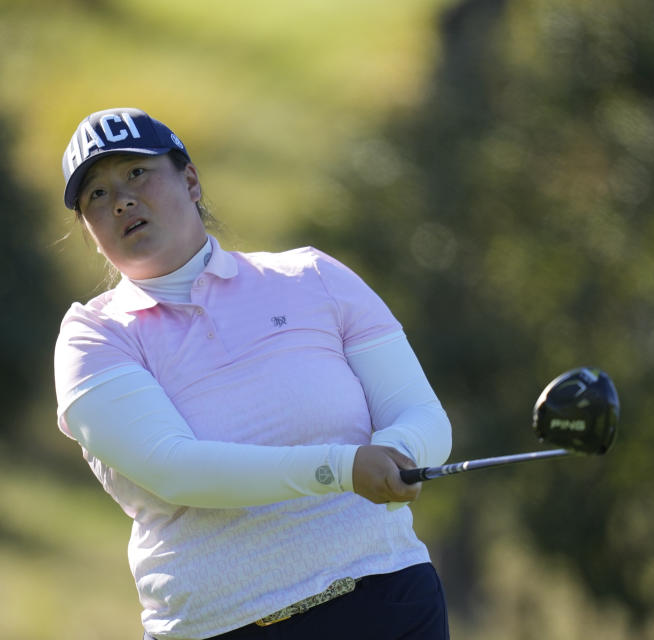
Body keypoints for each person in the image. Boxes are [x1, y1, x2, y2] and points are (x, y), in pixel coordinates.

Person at [53, 107, 453, 640]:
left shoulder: (312, 276)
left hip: (383, 598)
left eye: (136, 173)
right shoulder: (92, 337)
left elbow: (421, 414)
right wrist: (345, 468)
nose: (122, 199)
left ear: (190, 181)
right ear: (89, 228)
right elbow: (177, 471)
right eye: (96, 196)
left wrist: (399, 454)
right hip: (223, 626)